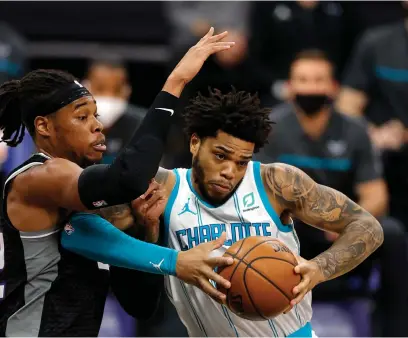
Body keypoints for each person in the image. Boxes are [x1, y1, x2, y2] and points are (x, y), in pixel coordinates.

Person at [64, 87, 384, 337]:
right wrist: (147, 231)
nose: (230, 171)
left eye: (241, 161)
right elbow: (75, 230)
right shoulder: (160, 188)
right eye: (221, 155)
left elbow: (367, 226)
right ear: (194, 143)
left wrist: (319, 269)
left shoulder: (277, 183)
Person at [0, 28, 236, 336]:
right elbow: (128, 178)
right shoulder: (38, 178)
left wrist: (146, 229)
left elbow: (139, 303)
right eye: (82, 117)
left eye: (95, 116)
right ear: (44, 126)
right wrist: (175, 83)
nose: (98, 126)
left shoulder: (86, 196)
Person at [255, 49, 408, 336]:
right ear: (289, 87)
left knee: (393, 232)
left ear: (333, 87)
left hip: (342, 227)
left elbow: (376, 195)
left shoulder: (355, 130)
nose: (310, 87)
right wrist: (316, 219)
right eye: (302, 79)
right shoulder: (270, 128)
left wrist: (346, 223)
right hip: (291, 225)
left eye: (317, 80)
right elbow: (260, 191)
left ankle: (394, 331)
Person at [82, 55, 147, 164]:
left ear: (127, 91)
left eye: (116, 90)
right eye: (100, 89)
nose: (108, 96)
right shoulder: (69, 125)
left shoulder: (144, 125)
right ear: (86, 87)